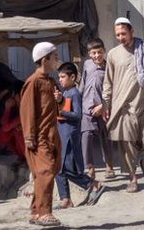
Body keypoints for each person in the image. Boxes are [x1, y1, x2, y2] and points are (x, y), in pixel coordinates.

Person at [102, 17, 144, 193]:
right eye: (118, 34)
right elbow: (108, 82)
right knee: (126, 144)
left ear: (132, 32)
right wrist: (106, 103)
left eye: (123, 33)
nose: (120, 37)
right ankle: (132, 178)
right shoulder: (113, 54)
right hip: (123, 106)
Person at [20, 41, 63, 227]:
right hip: (39, 137)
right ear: (44, 60)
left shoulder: (51, 81)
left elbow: (55, 108)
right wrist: (29, 136)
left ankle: (36, 212)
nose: (57, 60)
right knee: (45, 172)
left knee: (45, 173)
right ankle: (45, 212)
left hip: (51, 135)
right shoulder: (33, 82)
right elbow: (27, 110)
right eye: (54, 57)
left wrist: (59, 101)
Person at [54, 62, 106, 209]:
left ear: (72, 77)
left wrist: (60, 111)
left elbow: (77, 115)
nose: (60, 80)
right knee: (59, 169)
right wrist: (58, 102)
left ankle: (94, 184)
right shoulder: (65, 93)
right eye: (59, 77)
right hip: (63, 136)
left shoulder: (75, 93)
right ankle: (65, 199)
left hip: (70, 137)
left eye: (63, 77)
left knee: (67, 169)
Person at [80, 39, 115, 181]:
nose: (97, 55)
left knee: (105, 138)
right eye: (93, 53)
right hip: (86, 108)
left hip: (103, 110)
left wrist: (104, 106)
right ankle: (90, 167)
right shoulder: (87, 65)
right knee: (86, 136)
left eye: (99, 52)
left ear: (104, 51)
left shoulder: (108, 68)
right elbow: (82, 83)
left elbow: (113, 90)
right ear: (89, 54)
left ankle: (109, 165)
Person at [0, 81, 27, 163]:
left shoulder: (27, 107)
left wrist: (8, 108)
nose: (12, 97)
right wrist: (7, 108)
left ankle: (26, 157)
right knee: (3, 133)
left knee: (16, 131)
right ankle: (21, 156)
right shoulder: (15, 107)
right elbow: (3, 124)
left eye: (14, 94)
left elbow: (7, 126)